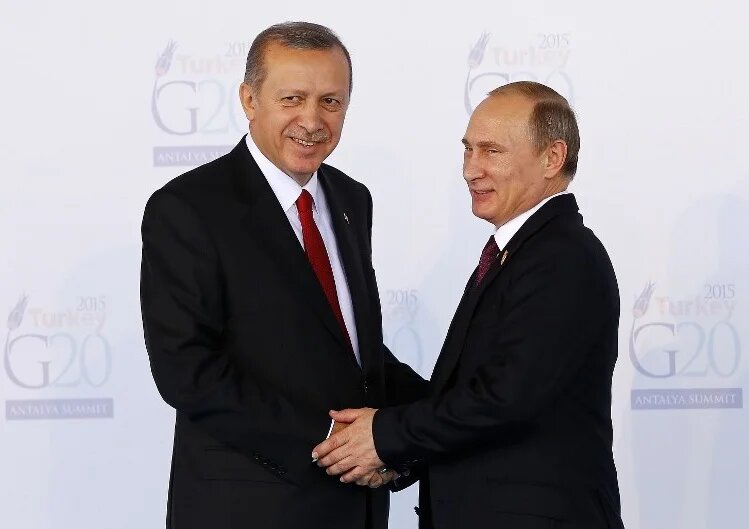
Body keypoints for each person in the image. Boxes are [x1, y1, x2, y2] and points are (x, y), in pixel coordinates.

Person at [140, 21, 426, 529]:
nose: (311, 120)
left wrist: (436, 417)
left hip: (356, 508)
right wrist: (332, 441)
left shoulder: (351, 199)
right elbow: (188, 372)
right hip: (250, 508)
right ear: (249, 100)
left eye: (331, 102)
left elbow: (352, 353)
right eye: (292, 98)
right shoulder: (188, 208)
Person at [313, 81, 625, 529]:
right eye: (468, 149)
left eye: (492, 151)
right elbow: (468, 397)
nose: (471, 169)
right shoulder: (518, 253)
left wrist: (384, 436)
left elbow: (505, 398)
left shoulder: (562, 257)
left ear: (552, 158)